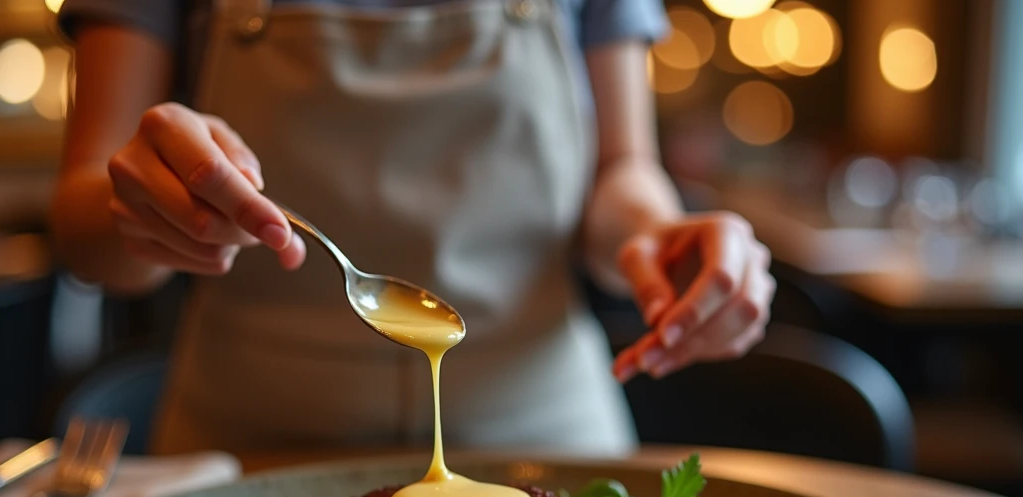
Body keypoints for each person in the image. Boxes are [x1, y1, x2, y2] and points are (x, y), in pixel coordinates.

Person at [51, 0, 774, 456]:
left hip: (545, 434)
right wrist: (145, 216)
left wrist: (653, 232)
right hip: (251, 448)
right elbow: (85, 222)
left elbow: (622, 165)